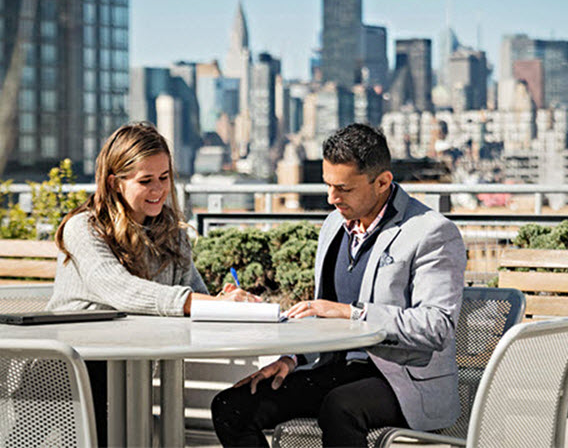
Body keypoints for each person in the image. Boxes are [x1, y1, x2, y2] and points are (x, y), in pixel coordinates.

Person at [211, 124, 466, 447]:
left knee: (339, 407)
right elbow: (322, 314)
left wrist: (351, 313)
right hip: (335, 371)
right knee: (232, 405)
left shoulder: (431, 233)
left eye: (344, 188)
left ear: (383, 182)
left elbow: (437, 326)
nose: (332, 198)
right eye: (328, 186)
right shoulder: (334, 225)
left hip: (403, 382)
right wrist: (291, 359)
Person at [47, 122, 258, 445]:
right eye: (146, 181)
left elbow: (194, 293)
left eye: (164, 177)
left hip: (133, 378)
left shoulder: (172, 234)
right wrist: (199, 303)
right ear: (115, 183)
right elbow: (122, 290)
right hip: (71, 379)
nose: (159, 190)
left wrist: (223, 299)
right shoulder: (84, 229)